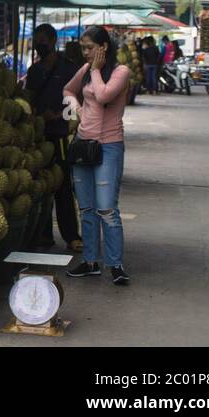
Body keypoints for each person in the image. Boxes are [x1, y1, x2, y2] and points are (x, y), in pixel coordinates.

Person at [63, 25, 131, 286]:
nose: (85, 53)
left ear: (103, 47)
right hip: (83, 144)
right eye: (83, 48)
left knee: (106, 209)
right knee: (87, 208)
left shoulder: (120, 72)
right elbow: (68, 90)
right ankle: (90, 262)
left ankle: (115, 264)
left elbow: (102, 96)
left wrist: (94, 70)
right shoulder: (85, 70)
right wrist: (78, 109)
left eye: (89, 48)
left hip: (108, 147)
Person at [25, 24, 81, 251]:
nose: (39, 46)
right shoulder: (34, 71)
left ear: (53, 40)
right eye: (36, 42)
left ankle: (71, 236)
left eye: (43, 42)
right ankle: (43, 234)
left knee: (63, 186)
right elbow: (29, 100)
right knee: (40, 186)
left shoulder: (69, 68)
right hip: (38, 136)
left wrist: (58, 115)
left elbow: (77, 101)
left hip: (60, 135)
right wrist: (37, 114)